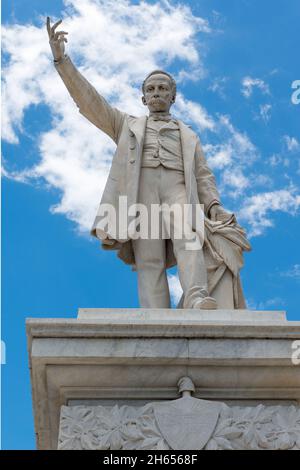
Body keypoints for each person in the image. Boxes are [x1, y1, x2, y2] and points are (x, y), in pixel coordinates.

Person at [47, 17, 239, 309]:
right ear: (143, 97)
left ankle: (197, 297)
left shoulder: (188, 135)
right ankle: (155, 314)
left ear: (173, 96)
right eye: (151, 90)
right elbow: (90, 103)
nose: (157, 94)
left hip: (177, 188)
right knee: (149, 257)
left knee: (189, 238)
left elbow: (203, 176)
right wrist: (62, 60)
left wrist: (213, 206)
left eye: (163, 89)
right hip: (142, 188)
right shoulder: (127, 125)